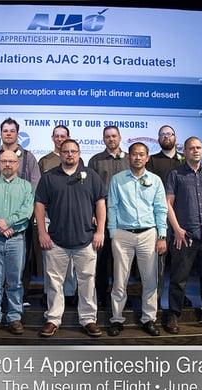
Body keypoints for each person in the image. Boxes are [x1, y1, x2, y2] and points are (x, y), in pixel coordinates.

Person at [35, 139, 106, 337]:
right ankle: (53, 319)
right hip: (56, 240)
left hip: (86, 240)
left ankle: (88, 319)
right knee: (54, 283)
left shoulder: (90, 175)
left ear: (79, 153)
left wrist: (100, 231)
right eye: (66, 151)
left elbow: (100, 203)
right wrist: (42, 232)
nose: (70, 155)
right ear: (60, 153)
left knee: (87, 282)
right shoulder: (49, 177)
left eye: (73, 151)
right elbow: (39, 206)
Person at [165, 136, 202, 334]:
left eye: (199, 148)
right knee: (178, 279)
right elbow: (168, 204)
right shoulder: (176, 174)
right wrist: (176, 229)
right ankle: (174, 315)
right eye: (192, 148)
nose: (196, 151)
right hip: (185, 236)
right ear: (184, 151)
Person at [107, 142, 167, 336]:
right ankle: (117, 319)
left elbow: (160, 209)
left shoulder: (156, 180)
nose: (138, 158)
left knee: (150, 280)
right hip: (122, 235)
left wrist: (162, 235)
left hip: (149, 234)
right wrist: (112, 233)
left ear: (147, 158)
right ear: (129, 157)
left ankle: (149, 319)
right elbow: (112, 207)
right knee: (119, 281)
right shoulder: (117, 180)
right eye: (134, 154)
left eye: (142, 154)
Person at [0, 117, 41, 307]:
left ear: (17, 133)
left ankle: (20, 299)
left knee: (21, 263)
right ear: (1, 133)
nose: (8, 133)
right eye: (5, 130)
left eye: (12, 130)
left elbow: (35, 185)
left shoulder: (28, 157)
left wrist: (12, 222)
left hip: (20, 222)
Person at [0, 150, 34, 335]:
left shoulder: (26, 187)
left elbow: (27, 211)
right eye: (4, 161)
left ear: (17, 164)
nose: (8, 164)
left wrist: (7, 222)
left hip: (16, 240)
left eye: (11, 161)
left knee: (15, 281)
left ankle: (14, 317)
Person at [146, 124, 189, 308]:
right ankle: (154, 300)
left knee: (181, 264)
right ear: (158, 139)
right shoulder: (152, 161)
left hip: (182, 220)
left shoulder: (184, 162)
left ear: (175, 138)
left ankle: (180, 298)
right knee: (158, 265)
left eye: (169, 134)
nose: (166, 137)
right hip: (158, 220)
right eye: (163, 135)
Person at [88, 125, 130, 305]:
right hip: (103, 215)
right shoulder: (95, 161)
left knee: (124, 259)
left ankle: (122, 296)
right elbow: (89, 190)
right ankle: (102, 297)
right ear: (103, 139)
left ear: (120, 137)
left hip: (126, 216)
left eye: (114, 136)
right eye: (107, 137)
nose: (111, 139)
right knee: (102, 259)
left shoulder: (131, 159)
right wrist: (92, 213)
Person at [37, 124, 78, 306]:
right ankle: (49, 294)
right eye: (57, 136)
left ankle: (70, 293)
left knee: (71, 262)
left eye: (63, 136)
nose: (60, 139)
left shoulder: (78, 162)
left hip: (71, 218)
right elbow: (39, 193)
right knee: (51, 262)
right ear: (52, 138)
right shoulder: (44, 161)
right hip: (49, 217)